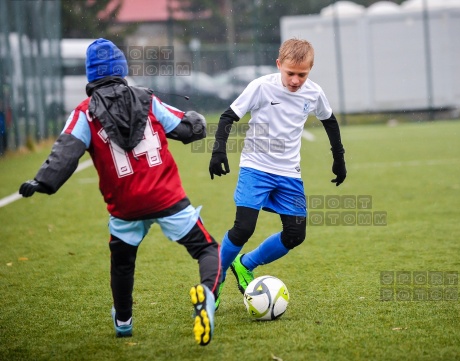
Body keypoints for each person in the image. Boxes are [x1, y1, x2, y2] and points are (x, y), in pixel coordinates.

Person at [18, 38, 220, 345]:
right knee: (206, 249)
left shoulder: (84, 113)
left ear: (90, 75)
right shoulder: (146, 99)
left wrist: (42, 181)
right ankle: (206, 294)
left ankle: (123, 321)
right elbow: (187, 130)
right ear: (121, 69)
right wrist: (198, 122)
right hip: (166, 197)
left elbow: (65, 152)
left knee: (123, 262)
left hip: (125, 204)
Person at [208, 38, 347, 308]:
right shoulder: (261, 87)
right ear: (279, 65)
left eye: (302, 74)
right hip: (255, 169)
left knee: (295, 234)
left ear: (310, 69)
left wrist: (338, 158)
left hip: (289, 174)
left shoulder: (314, 93)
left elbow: (329, 120)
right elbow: (228, 116)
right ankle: (215, 279)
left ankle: (244, 264)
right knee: (243, 228)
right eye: (290, 73)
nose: (295, 80)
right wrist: (218, 152)